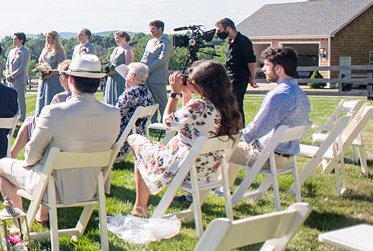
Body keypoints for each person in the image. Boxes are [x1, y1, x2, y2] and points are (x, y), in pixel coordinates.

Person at [0, 54, 118, 222]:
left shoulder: (54, 112)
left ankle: (18, 228)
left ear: (71, 80)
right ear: (98, 83)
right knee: (48, 166)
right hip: (91, 187)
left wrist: (28, 164)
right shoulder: (113, 113)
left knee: (2, 166)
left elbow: (31, 154)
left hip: (52, 188)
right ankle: (40, 214)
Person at [125, 60, 242, 217]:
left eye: (193, 81)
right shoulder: (226, 106)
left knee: (136, 141)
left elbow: (168, 122)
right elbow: (190, 122)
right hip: (208, 167)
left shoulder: (200, 105)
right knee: (148, 147)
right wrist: (187, 95)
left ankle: (140, 207)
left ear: (204, 84)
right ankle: (141, 207)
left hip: (182, 167)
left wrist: (174, 94)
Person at [227, 47, 311, 179]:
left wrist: (230, 137)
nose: (264, 69)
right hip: (287, 157)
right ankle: (224, 189)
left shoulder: (278, 95)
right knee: (235, 144)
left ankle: (200, 191)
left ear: (278, 69)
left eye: (266, 65)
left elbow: (255, 131)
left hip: (269, 157)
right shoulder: (300, 94)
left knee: (220, 148)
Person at [6, 60, 72, 160]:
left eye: (59, 76)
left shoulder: (59, 98)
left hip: (57, 141)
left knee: (29, 121)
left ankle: (12, 154)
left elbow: (48, 121)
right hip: (71, 142)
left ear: (63, 77)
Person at [215, 17, 258, 123]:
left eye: (219, 30)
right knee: (227, 105)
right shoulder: (230, 41)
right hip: (229, 78)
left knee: (236, 105)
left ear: (228, 28)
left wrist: (252, 77)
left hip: (239, 79)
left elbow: (251, 62)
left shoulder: (243, 41)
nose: (218, 33)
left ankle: (239, 130)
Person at [114, 62, 156, 158]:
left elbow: (116, 112)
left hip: (122, 135)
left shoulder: (131, 93)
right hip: (138, 133)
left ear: (132, 75)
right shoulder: (147, 92)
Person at [140, 20, 172, 120]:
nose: (151, 31)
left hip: (158, 77)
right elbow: (144, 57)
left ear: (160, 29)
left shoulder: (166, 42)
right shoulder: (150, 42)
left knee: (162, 102)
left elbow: (162, 59)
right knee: (150, 102)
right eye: (150, 29)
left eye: (153, 29)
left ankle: (166, 122)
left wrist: (147, 69)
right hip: (147, 77)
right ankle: (153, 123)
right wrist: (139, 68)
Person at [34, 30, 67, 115]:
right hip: (44, 78)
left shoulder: (59, 50)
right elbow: (41, 62)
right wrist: (39, 68)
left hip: (54, 78)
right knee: (41, 98)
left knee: (51, 98)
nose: (47, 39)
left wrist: (49, 74)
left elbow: (61, 67)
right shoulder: (45, 49)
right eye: (46, 38)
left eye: (49, 37)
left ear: (54, 39)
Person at [104, 31, 135, 105]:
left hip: (120, 77)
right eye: (115, 38)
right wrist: (107, 70)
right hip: (111, 78)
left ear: (124, 38)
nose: (116, 40)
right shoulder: (116, 49)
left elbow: (128, 66)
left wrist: (114, 72)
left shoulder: (128, 50)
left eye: (117, 38)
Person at [4, 33, 29, 123]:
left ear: (21, 40)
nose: (13, 41)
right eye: (13, 39)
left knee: (20, 99)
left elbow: (22, 67)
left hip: (19, 79)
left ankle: (22, 117)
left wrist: (12, 76)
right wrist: (7, 74)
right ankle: (13, 115)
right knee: (11, 99)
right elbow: (7, 64)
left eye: (15, 39)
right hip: (10, 80)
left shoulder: (25, 52)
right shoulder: (11, 51)